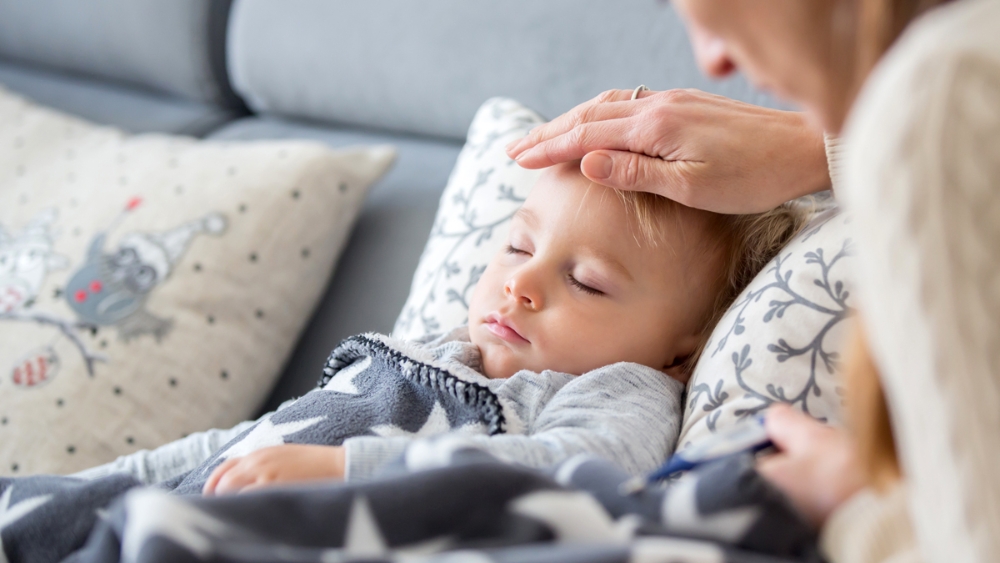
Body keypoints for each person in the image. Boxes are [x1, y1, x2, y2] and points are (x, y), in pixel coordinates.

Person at [507, 0, 1000, 561]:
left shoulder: (945, 99)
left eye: (713, 11)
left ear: (683, 353)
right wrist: (818, 147)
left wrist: (848, 505)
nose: (711, 60)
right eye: (515, 246)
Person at [76, 161, 803, 497]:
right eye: (519, 247)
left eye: (586, 281)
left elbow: (577, 473)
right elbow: (242, 442)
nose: (521, 282)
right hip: (181, 502)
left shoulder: (617, 392)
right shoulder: (420, 352)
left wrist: (349, 472)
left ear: (680, 354)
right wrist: (94, 485)